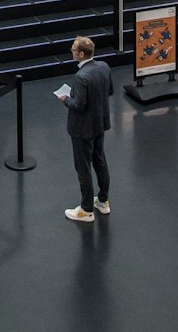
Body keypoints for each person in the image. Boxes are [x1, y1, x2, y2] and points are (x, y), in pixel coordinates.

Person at [57, 35, 113, 223]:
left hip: (82, 129)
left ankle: (86, 209)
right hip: (99, 124)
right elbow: (110, 91)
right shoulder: (104, 67)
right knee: (100, 161)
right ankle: (103, 202)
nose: (71, 52)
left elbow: (77, 105)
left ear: (81, 54)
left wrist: (66, 99)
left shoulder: (81, 76)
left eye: (73, 49)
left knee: (83, 168)